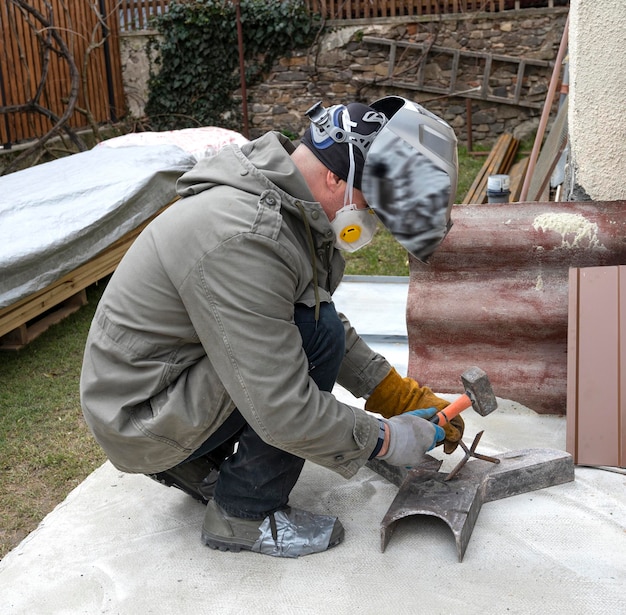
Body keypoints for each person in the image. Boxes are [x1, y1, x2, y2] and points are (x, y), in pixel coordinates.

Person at [80, 95, 463, 558]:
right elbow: (283, 405)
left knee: (313, 329)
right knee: (312, 337)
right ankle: (244, 515)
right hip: (140, 419)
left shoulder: (281, 206)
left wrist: (390, 391)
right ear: (336, 176)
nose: (371, 220)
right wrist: (385, 438)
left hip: (155, 391)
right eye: (371, 205)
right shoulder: (245, 235)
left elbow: (308, 311)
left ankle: (197, 463)